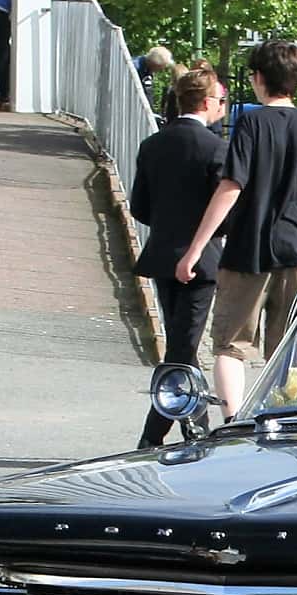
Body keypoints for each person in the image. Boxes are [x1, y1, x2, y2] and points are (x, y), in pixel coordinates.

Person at [175, 40, 297, 420]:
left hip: (247, 252)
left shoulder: (251, 122)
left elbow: (230, 187)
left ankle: (234, 422)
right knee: (289, 350)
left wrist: (196, 249)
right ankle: (292, 423)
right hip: (296, 252)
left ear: (259, 79)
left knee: (231, 346)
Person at [129, 65, 229, 448]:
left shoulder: (153, 144)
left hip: (162, 252)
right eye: (219, 101)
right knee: (182, 347)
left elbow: (140, 206)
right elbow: (226, 212)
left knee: (179, 341)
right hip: (201, 260)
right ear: (206, 102)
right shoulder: (215, 148)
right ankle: (159, 432)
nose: (221, 107)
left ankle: (192, 423)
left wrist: (169, 224)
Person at [136, 45, 174, 110]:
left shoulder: (148, 69)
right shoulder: (136, 68)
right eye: (161, 67)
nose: (161, 70)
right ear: (154, 64)